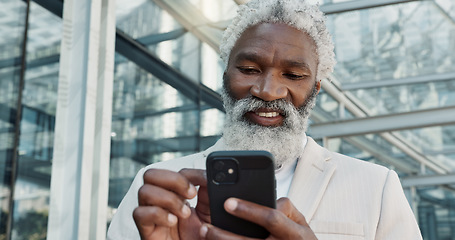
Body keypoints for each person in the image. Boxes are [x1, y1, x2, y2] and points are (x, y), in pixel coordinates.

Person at [107, 0, 423, 239]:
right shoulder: (159, 185)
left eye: (294, 74)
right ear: (225, 76)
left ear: (314, 89)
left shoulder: (376, 186)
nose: (268, 91)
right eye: (249, 69)